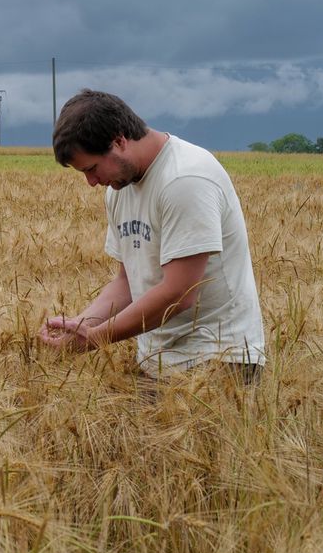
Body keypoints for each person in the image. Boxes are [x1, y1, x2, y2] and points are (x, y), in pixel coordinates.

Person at [38, 89, 265, 381]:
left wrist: (95, 338)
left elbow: (179, 293)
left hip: (219, 358)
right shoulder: (119, 189)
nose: (91, 182)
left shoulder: (185, 180)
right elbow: (127, 282)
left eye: (92, 168)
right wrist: (79, 326)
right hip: (157, 360)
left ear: (119, 140)